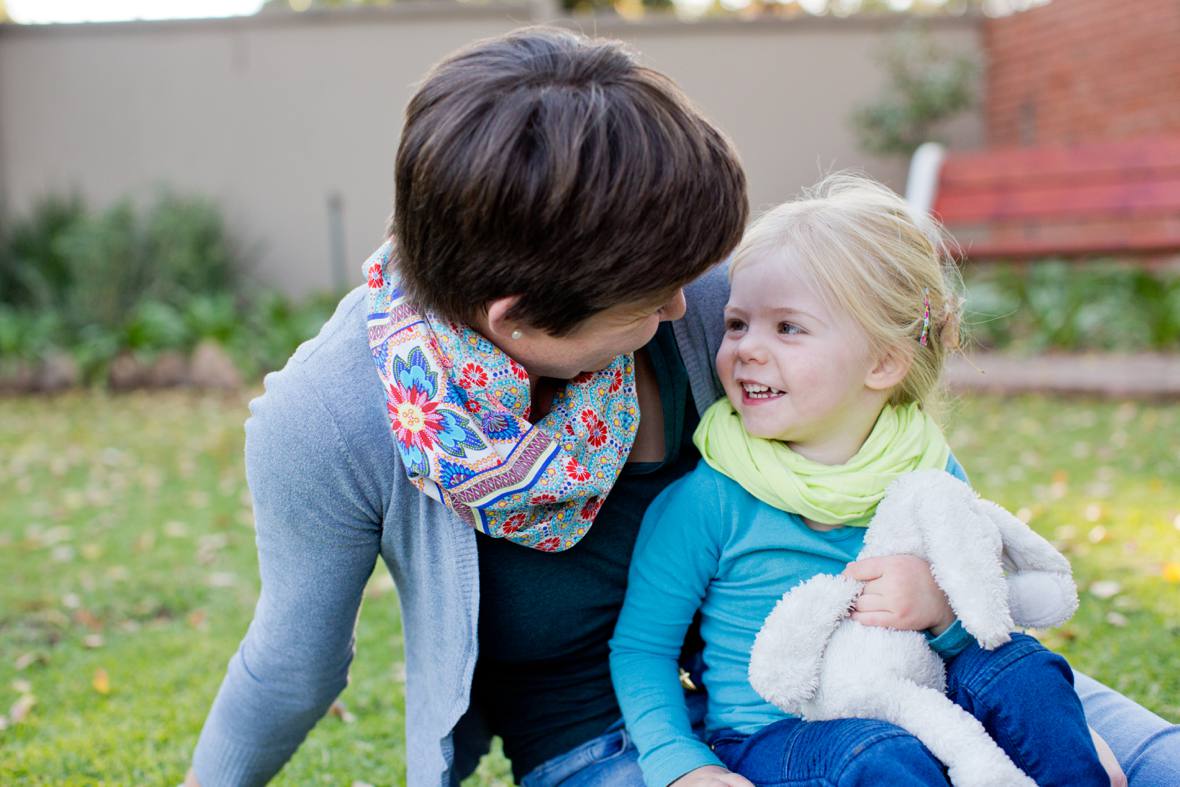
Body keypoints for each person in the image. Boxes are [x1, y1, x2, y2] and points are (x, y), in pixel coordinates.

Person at [185, 27, 1177, 787]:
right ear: (519, 317)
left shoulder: (708, 305)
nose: (687, 309)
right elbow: (287, 670)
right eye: (650, 295)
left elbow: (886, 478)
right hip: (605, 739)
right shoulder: (336, 419)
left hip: (859, 668)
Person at [606, 175, 1147, 787]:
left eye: (787, 328)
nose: (746, 350)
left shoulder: (927, 470)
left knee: (1027, 670)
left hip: (927, 700)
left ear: (884, 362)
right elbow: (642, 652)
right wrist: (683, 766)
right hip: (780, 734)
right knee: (878, 755)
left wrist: (941, 616)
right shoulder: (710, 498)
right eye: (736, 324)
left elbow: (981, 619)